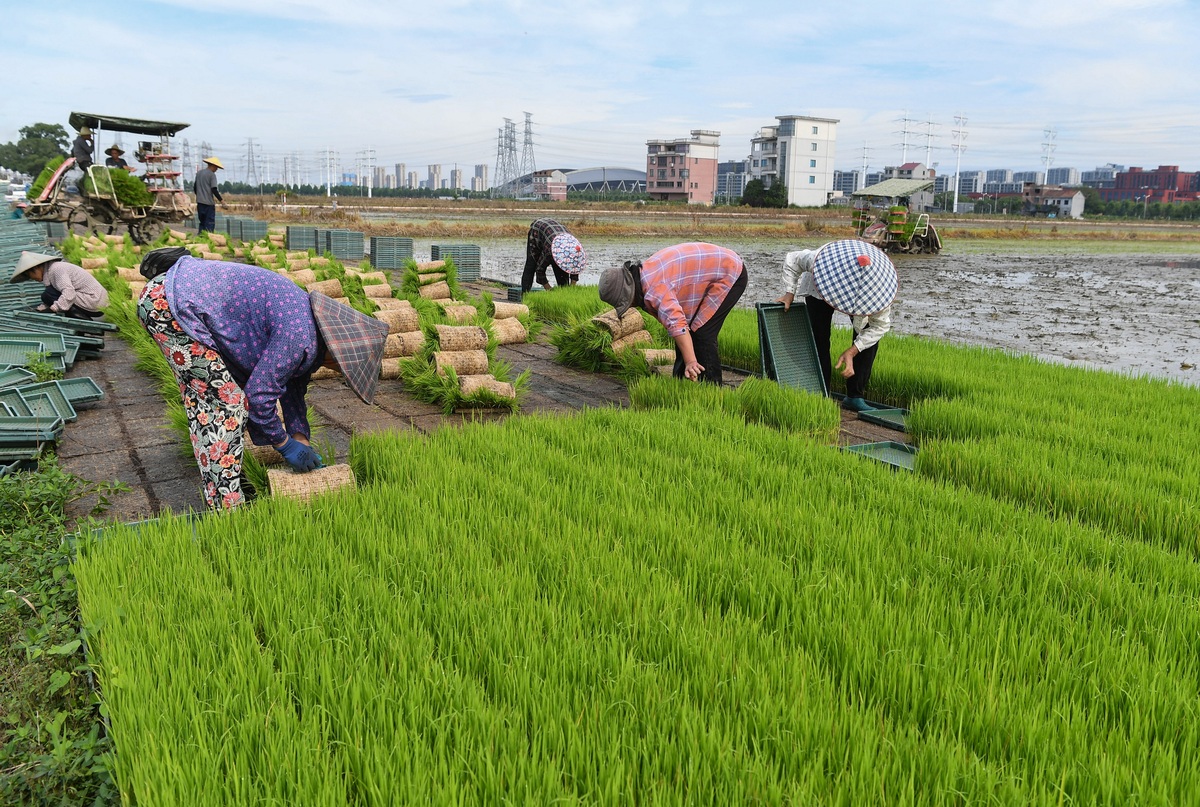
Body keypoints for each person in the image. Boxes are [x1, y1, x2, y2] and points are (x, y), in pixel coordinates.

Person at [135, 248, 389, 510]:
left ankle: (223, 489)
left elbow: (291, 385)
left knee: (210, 406)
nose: (339, 371)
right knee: (227, 406)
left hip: (171, 295)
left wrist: (300, 437)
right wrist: (283, 443)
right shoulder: (300, 335)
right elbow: (258, 397)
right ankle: (228, 509)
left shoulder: (308, 330)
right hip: (170, 305)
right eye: (343, 367)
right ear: (337, 353)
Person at [598, 242, 747, 385]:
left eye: (626, 304)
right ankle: (681, 383)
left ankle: (712, 389)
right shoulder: (644, 275)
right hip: (712, 268)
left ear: (629, 295)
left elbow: (678, 326)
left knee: (703, 333)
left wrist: (690, 361)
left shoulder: (655, 291)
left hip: (729, 272)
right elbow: (680, 329)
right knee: (690, 333)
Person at [776, 240, 895, 412]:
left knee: (868, 339)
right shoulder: (820, 261)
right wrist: (789, 293)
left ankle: (855, 396)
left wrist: (853, 350)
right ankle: (821, 393)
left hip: (863, 296)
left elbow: (879, 327)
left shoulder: (878, 291)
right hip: (820, 288)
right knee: (818, 338)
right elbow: (793, 259)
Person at [10, 251, 109, 319]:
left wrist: (54, 309)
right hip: (93, 301)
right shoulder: (51, 271)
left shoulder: (56, 270)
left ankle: (85, 322)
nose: (32, 279)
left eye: (30, 275)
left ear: (36, 268)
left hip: (95, 301)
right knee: (47, 295)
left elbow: (69, 292)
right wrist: (41, 309)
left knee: (48, 294)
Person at [520, 218, 587, 293]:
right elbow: (539, 270)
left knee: (562, 277)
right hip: (538, 230)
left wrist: (571, 288)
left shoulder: (575, 251)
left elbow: (575, 268)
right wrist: (549, 289)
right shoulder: (550, 251)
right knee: (531, 265)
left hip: (555, 233)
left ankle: (563, 294)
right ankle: (525, 295)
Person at [193, 156, 226, 233]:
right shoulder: (212, 175)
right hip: (208, 204)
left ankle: (200, 240)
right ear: (212, 165)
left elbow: (195, 187)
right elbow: (214, 189)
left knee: (202, 223)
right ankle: (209, 240)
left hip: (200, 203)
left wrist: (199, 196)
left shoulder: (199, 173)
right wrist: (222, 201)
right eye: (216, 167)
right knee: (210, 224)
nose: (217, 169)